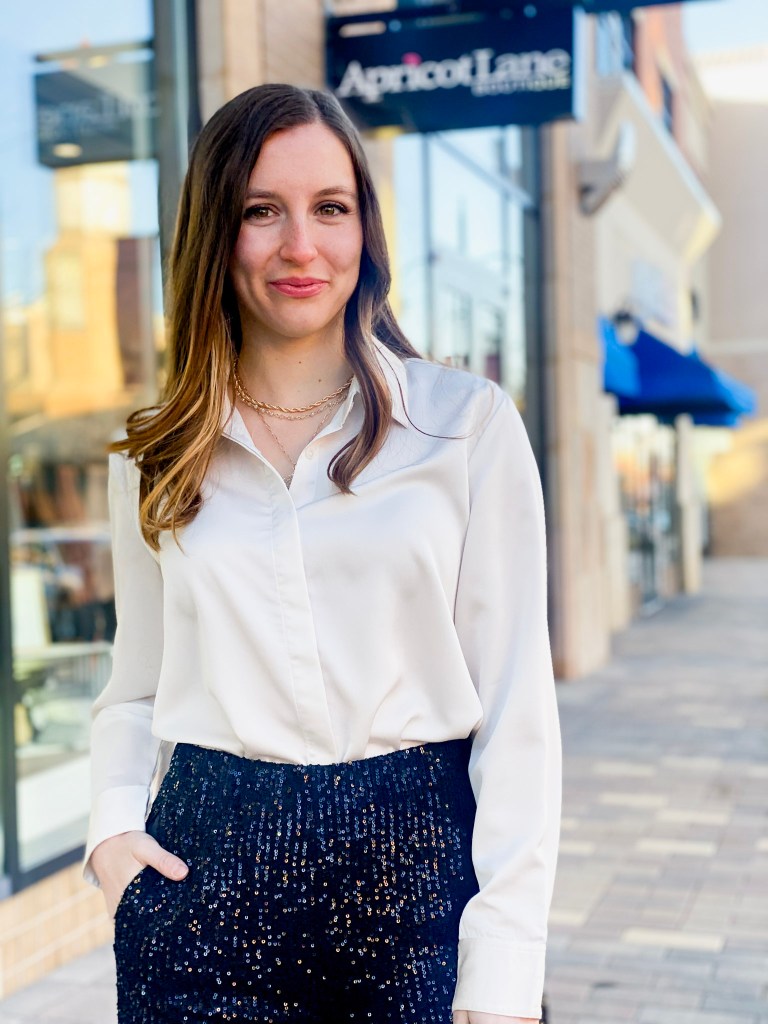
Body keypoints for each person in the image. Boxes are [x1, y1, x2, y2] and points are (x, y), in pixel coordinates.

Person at [84, 83, 561, 1024]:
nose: (301, 245)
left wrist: (506, 963)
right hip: (204, 881)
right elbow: (135, 686)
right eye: (261, 210)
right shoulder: (155, 455)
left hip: (420, 879)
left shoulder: (463, 427)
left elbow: (517, 708)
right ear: (215, 235)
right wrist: (111, 834)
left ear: (365, 232)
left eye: (330, 208)